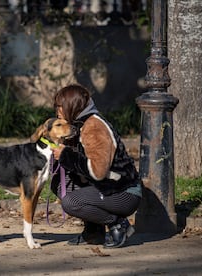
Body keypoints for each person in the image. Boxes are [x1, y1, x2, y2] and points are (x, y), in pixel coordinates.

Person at [50, 84, 142, 248]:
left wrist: (66, 156)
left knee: (71, 202)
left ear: (72, 106)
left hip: (123, 191)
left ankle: (118, 224)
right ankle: (94, 231)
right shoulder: (76, 125)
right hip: (105, 188)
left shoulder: (94, 126)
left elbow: (98, 172)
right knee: (59, 184)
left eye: (59, 105)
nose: (57, 110)